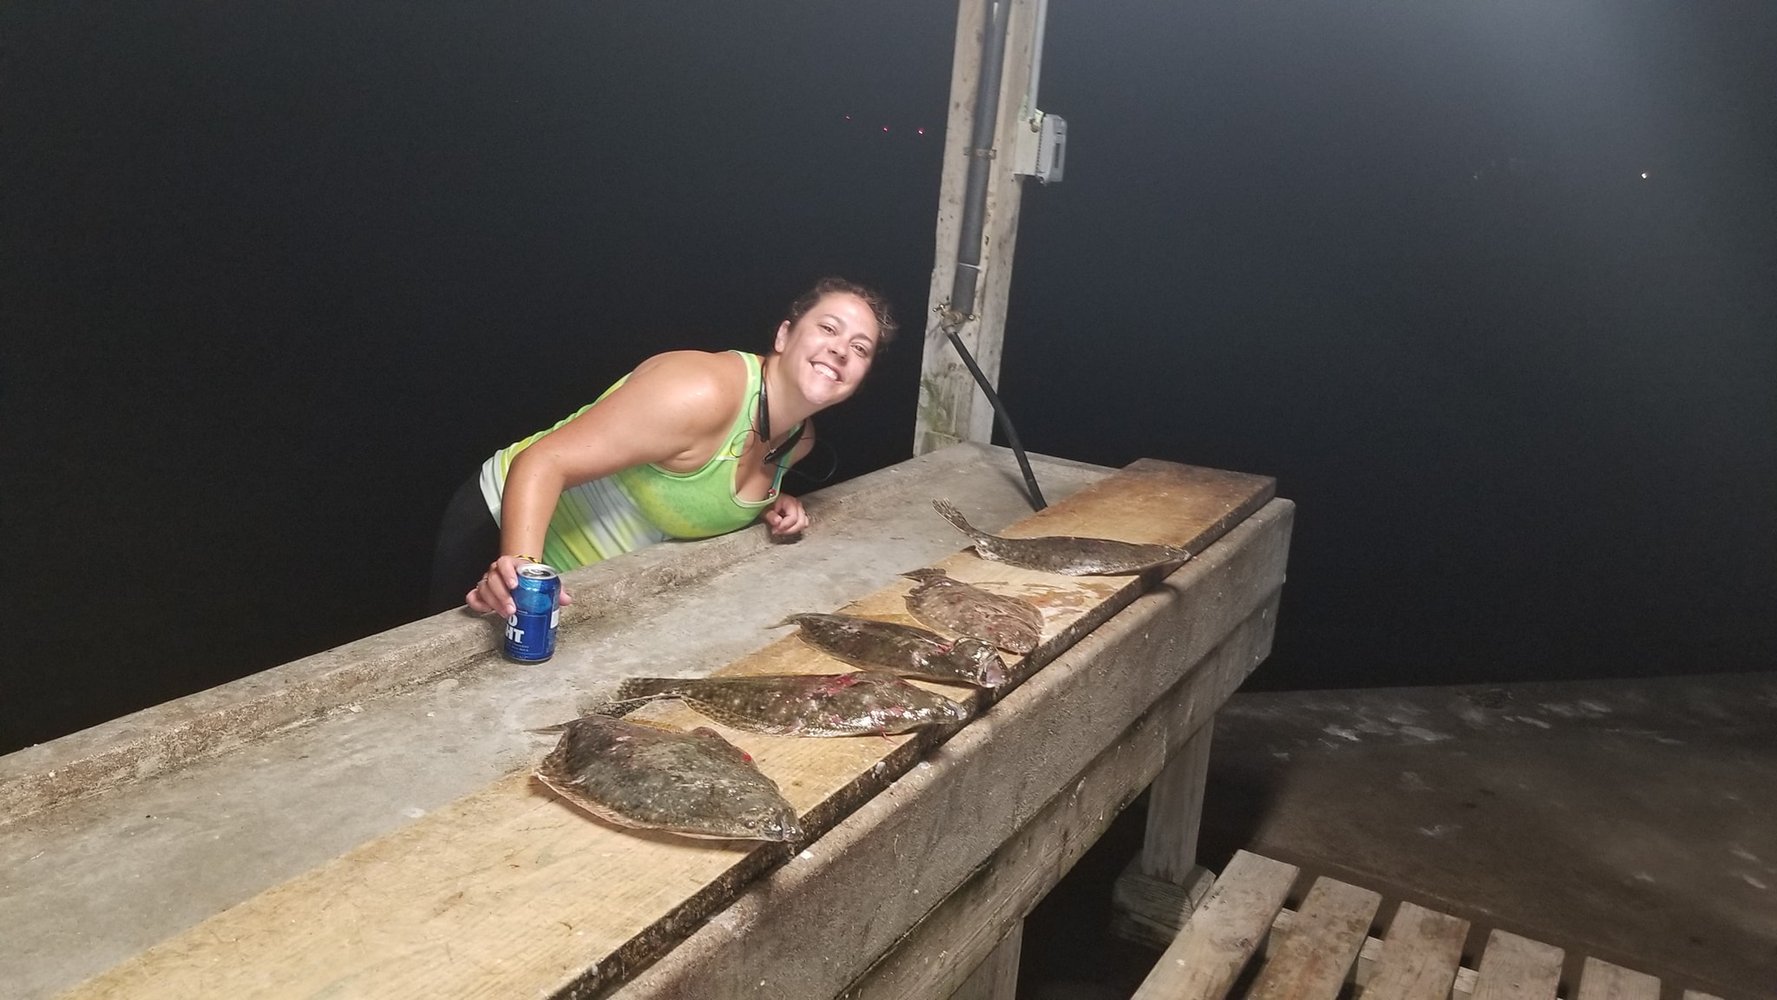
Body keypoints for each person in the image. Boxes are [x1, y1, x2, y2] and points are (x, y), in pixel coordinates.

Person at [428, 277, 897, 618]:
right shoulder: (699, 393)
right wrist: (521, 575)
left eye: (860, 348)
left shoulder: (799, 441)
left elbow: (700, 484)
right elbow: (543, 461)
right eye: (828, 329)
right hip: (502, 527)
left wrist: (769, 505)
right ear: (783, 335)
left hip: (592, 583)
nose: (840, 351)